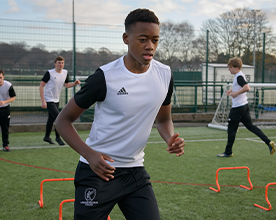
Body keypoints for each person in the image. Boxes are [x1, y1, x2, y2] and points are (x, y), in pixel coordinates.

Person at [55, 8, 185, 220]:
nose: (150, 46)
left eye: (155, 40)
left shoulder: (164, 74)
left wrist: (170, 137)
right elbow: (62, 121)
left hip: (135, 171)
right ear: (126, 38)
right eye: (143, 39)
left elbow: (163, 119)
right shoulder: (105, 77)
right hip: (97, 171)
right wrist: (90, 154)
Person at [217, 57, 275, 157]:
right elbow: (240, 87)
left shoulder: (239, 76)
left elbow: (246, 87)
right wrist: (232, 91)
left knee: (231, 130)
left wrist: (236, 94)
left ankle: (228, 152)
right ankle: (268, 142)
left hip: (237, 108)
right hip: (244, 106)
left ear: (236, 67)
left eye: (230, 67)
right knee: (251, 127)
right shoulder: (239, 75)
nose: (229, 69)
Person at [39, 56, 80, 145]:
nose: (60, 64)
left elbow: (67, 85)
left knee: (51, 119)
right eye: (59, 63)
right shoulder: (49, 73)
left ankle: (47, 137)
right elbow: (41, 86)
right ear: (55, 64)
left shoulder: (65, 73)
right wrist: (43, 101)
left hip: (56, 100)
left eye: (62, 63)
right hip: (48, 99)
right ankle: (58, 138)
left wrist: (74, 83)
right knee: (59, 118)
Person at [0, 70, 16, 152]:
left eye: (0, 77)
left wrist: (4, 102)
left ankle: (5, 145)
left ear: (3, 77)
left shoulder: (8, 85)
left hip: (5, 109)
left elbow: (13, 97)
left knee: (5, 128)